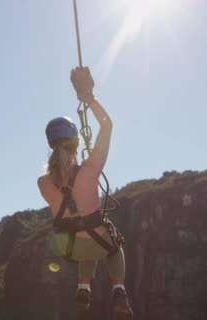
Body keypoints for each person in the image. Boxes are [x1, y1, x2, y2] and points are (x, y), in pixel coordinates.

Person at [37, 67, 133, 319]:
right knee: (112, 243)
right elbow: (107, 125)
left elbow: (61, 175)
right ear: (76, 142)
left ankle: (83, 287)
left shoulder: (43, 183)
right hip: (97, 243)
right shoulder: (90, 170)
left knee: (85, 239)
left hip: (70, 249)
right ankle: (119, 289)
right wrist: (89, 97)